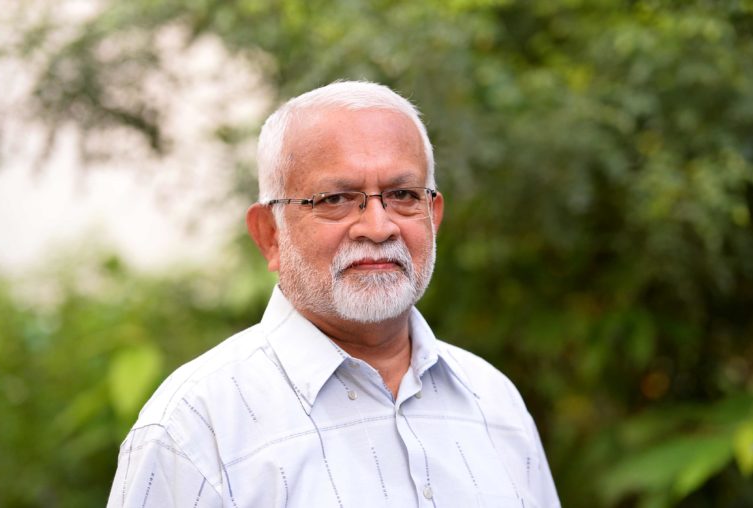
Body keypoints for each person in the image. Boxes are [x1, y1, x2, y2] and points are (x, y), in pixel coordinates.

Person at [107, 80, 560, 508]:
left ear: (432, 216)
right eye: (335, 199)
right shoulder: (195, 428)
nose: (378, 228)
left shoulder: (494, 403)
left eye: (403, 194)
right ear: (269, 235)